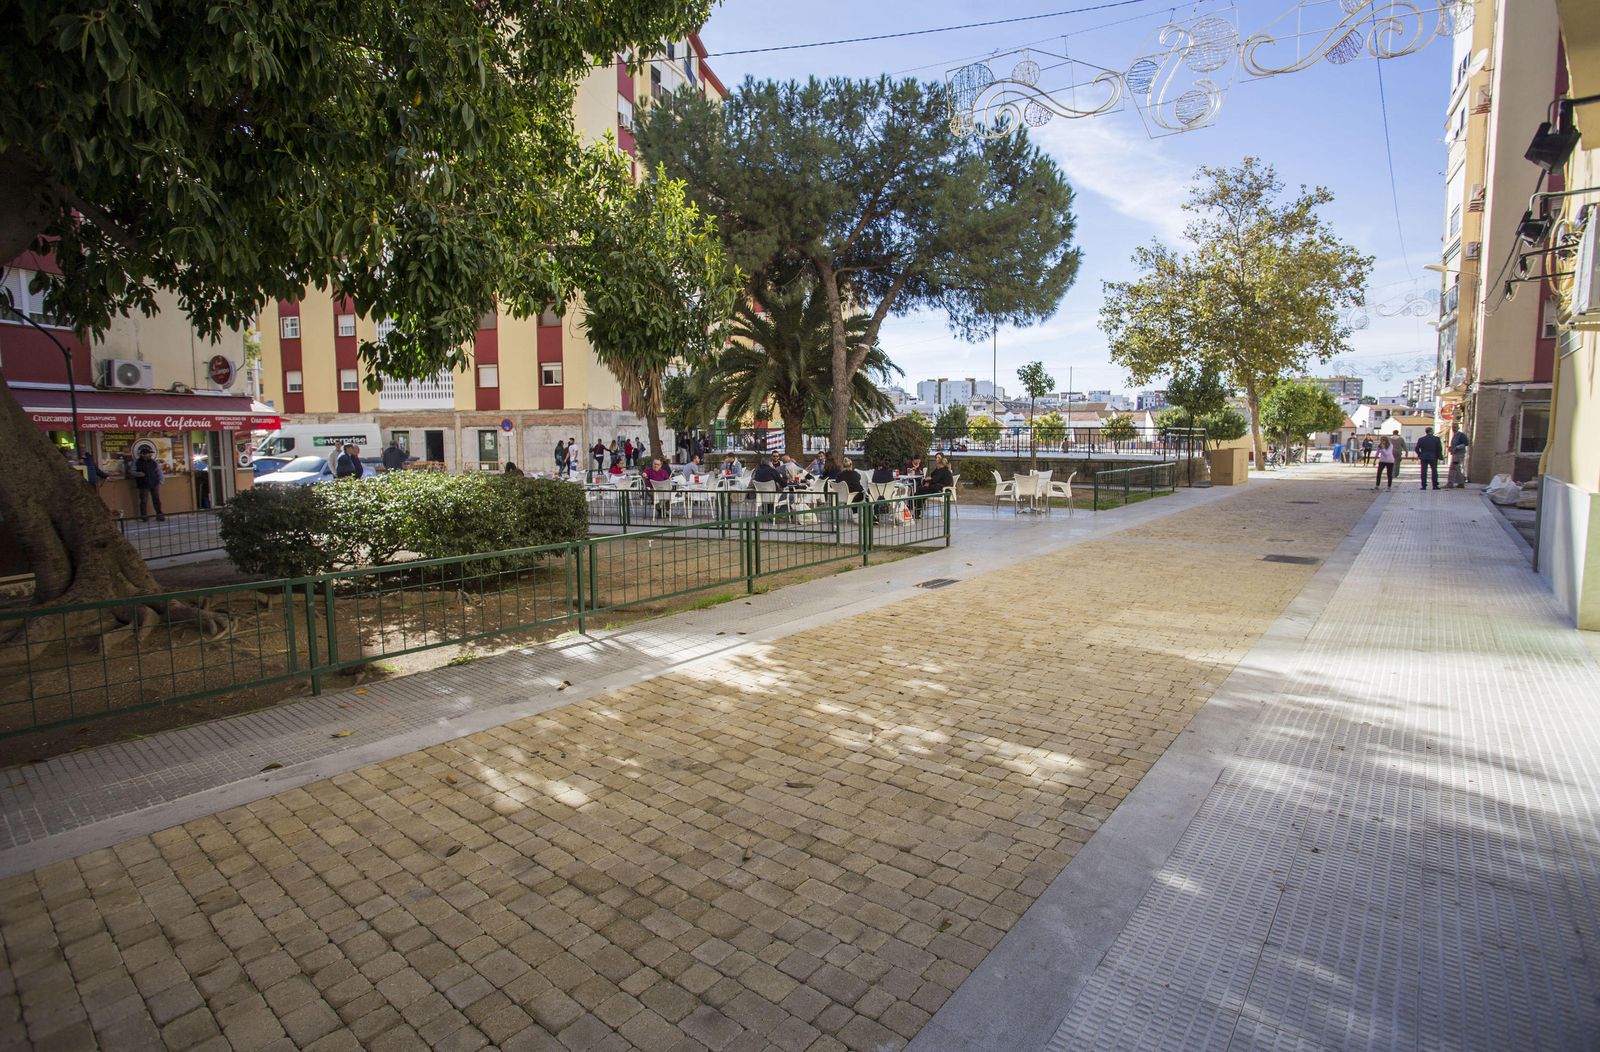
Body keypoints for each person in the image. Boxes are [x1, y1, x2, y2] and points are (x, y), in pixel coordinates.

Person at [914, 453, 955, 518]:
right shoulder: (941, 470)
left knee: (920, 491)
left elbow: (934, 480)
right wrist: (936, 469)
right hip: (938, 488)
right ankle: (916, 511)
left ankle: (915, 509)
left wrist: (927, 482)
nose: (936, 464)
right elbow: (933, 475)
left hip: (941, 490)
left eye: (937, 464)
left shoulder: (942, 471)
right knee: (921, 491)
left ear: (940, 464)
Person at [131, 449, 166, 521]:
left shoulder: (153, 462)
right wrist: (139, 474)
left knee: (156, 500)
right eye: (148, 454)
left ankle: (159, 515)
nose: (150, 455)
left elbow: (159, 471)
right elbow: (132, 471)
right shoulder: (136, 462)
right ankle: (144, 516)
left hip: (154, 483)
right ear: (143, 454)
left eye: (150, 454)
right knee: (143, 500)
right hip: (143, 484)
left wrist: (161, 480)